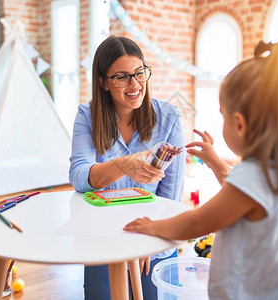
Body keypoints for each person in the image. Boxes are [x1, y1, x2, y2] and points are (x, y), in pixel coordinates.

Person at [124, 38, 278, 300]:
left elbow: (198, 222)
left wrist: (153, 226)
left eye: (223, 115)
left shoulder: (254, 176)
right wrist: (214, 161)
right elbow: (247, 195)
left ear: (240, 124)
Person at [69, 36, 185, 299]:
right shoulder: (87, 116)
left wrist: (149, 244)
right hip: (103, 238)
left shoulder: (168, 118)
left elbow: (171, 198)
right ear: (103, 82)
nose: (135, 85)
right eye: (122, 77)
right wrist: (122, 165)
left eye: (139, 73)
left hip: (155, 238)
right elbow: (78, 177)